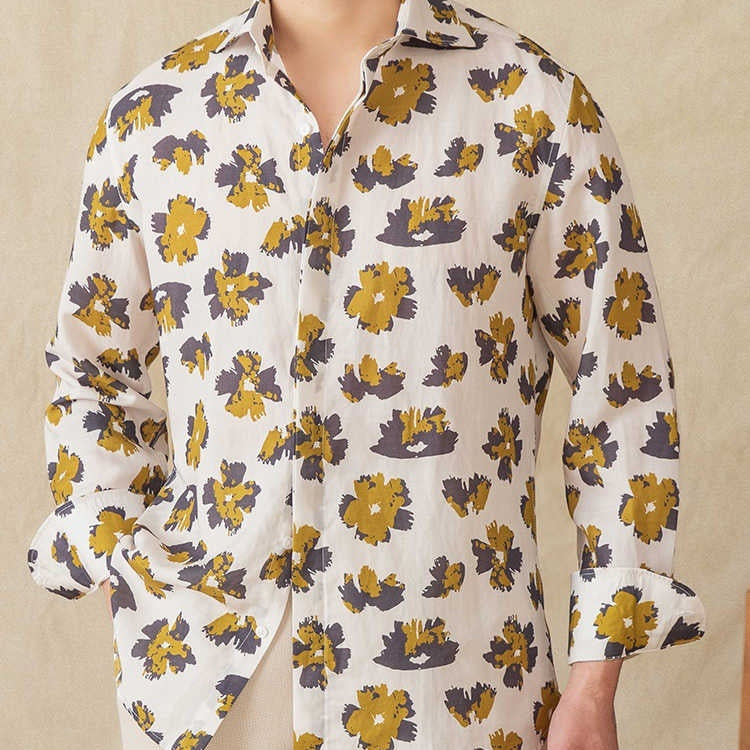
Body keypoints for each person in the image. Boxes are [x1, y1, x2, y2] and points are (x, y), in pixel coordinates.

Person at [26, 1, 707, 748]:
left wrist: (594, 681)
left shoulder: (533, 106)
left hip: (461, 700)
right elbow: (93, 376)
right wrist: (123, 563)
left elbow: (626, 390)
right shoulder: (153, 119)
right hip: (208, 696)